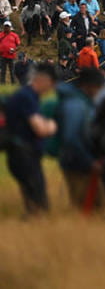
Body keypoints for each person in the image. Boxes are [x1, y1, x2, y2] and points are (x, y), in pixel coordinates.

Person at [3, 63, 58, 216]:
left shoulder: (26, 95)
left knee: (34, 202)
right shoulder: (26, 97)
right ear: (44, 80)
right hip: (23, 154)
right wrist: (53, 125)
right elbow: (39, 128)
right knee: (39, 204)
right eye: (52, 84)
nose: (50, 89)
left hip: (21, 154)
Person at [54, 67, 105, 211]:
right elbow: (71, 138)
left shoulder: (82, 102)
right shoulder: (75, 105)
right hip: (76, 163)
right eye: (99, 87)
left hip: (82, 161)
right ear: (89, 86)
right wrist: (90, 162)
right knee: (84, 205)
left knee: (96, 204)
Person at [0, 20, 20, 84]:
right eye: (5, 26)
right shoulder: (0, 34)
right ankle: (2, 85)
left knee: (12, 71)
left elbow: (18, 45)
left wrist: (14, 50)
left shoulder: (15, 35)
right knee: (3, 71)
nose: (6, 28)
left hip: (12, 56)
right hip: (2, 56)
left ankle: (13, 84)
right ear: (3, 27)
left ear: (10, 27)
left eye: (8, 26)